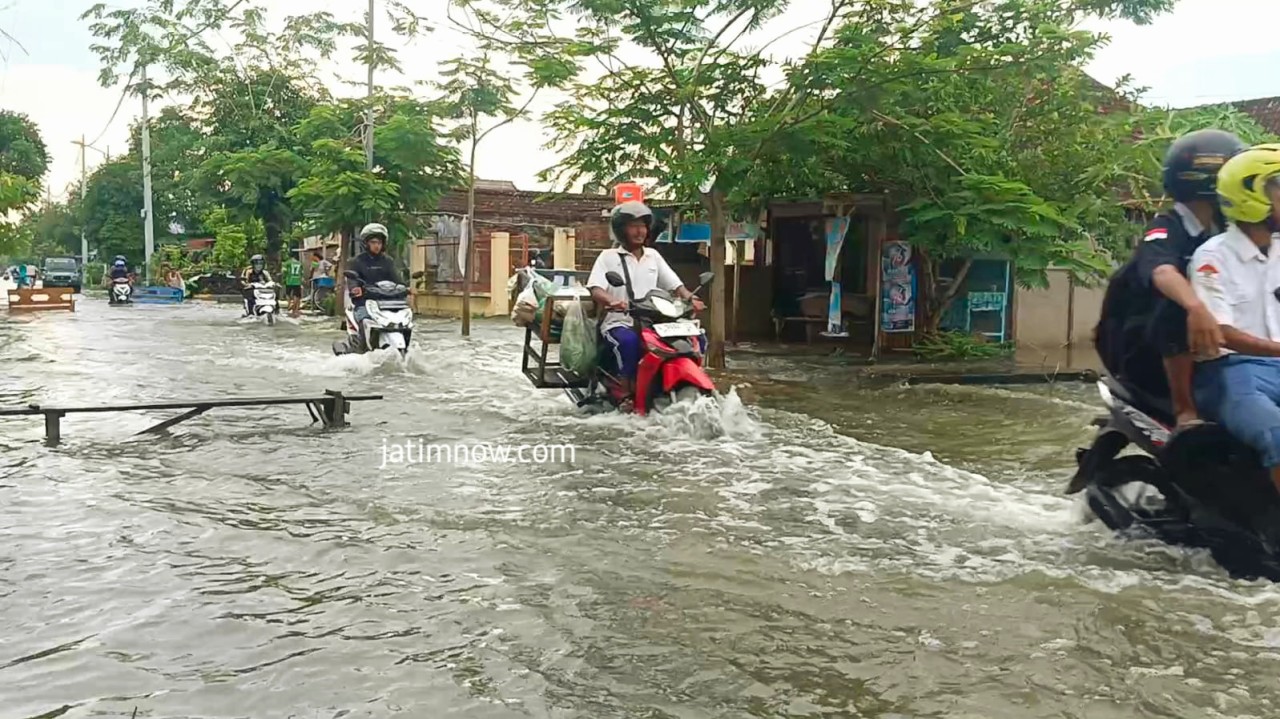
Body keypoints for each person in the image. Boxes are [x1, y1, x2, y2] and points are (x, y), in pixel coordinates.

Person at [1094, 128, 1246, 426]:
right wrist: (1195, 307)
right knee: (1177, 306)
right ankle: (1184, 410)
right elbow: (1162, 271)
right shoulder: (1166, 227)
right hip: (1140, 348)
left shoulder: (1223, 231)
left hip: (1202, 349)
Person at [1189, 144, 1280, 494]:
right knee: (1276, 434)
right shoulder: (1213, 257)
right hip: (1230, 372)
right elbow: (1221, 332)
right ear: (1252, 195)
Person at [586, 201, 706, 400]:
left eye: (642, 225)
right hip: (620, 321)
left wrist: (690, 298)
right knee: (629, 342)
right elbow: (595, 288)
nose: (639, 231)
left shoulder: (653, 256)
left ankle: (690, 376)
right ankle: (625, 387)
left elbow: (675, 285)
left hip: (654, 322)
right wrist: (612, 300)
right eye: (633, 226)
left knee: (696, 337)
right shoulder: (608, 257)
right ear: (621, 229)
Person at [347, 223, 404, 327]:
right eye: (373, 242)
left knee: (404, 320)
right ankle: (363, 342)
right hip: (365, 301)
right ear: (366, 243)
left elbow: (397, 279)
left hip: (387, 301)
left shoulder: (388, 261)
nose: (376, 245)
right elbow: (352, 278)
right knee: (364, 320)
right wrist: (355, 288)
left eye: (379, 242)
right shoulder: (357, 261)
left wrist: (405, 288)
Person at [282, 249, 304, 317]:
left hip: (289, 280)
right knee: (296, 295)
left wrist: (284, 279)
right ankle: (295, 308)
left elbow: (284, 272)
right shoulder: (299, 263)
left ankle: (289, 304)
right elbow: (301, 273)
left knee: (288, 294)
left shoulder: (286, 263)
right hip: (297, 281)